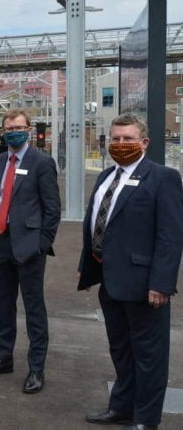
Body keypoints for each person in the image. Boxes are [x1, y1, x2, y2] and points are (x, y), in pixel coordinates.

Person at [79, 114, 183, 430]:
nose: (120, 144)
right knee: (121, 351)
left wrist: (162, 283)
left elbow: (171, 235)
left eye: (127, 139)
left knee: (149, 356)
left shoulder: (163, 178)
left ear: (144, 142)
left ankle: (145, 419)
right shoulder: (105, 177)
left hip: (145, 285)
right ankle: (122, 407)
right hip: (109, 282)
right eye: (115, 138)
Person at [0, 109, 60, 394]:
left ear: (28, 129)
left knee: (34, 307)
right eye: (9, 127)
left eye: (19, 127)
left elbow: (52, 209)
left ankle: (36, 368)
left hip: (29, 247)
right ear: (3, 131)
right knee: (3, 305)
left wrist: (43, 244)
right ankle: (4, 357)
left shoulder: (42, 162)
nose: (14, 131)